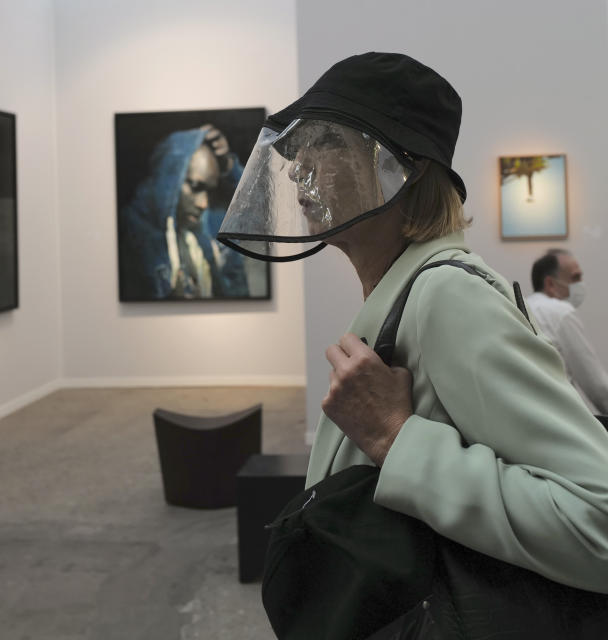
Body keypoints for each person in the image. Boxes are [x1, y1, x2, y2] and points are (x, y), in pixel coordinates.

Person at [218, 51, 608, 594]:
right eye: (297, 148)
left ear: (408, 169)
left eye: (328, 142)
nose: (299, 165)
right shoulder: (403, 293)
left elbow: (600, 520)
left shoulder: (448, 297)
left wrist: (395, 438)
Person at [119, 125, 250, 299]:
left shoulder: (207, 228)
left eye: (209, 192)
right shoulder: (133, 230)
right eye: (195, 187)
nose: (203, 204)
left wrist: (229, 165)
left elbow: (259, 210)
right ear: (170, 177)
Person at [526, 249, 608, 414]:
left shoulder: (522, 307)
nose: (581, 284)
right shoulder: (561, 312)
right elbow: (597, 386)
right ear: (550, 284)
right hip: (560, 416)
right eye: (575, 278)